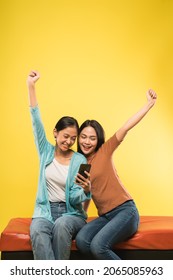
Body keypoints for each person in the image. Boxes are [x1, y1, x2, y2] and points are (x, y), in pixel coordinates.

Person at [75, 89, 157, 260]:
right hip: (105, 216)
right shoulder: (81, 164)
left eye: (92, 138)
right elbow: (89, 194)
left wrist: (149, 104)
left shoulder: (105, 151)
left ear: (98, 140)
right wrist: (83, 215)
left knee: (98, 246)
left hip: (125, 211)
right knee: (82, 241)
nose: (86, 142)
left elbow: (126, 127)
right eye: (83, 137)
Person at [27, 70, 91, 260]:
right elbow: (35, 122)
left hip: (72, 213)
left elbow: (75, 196)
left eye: (73, 138)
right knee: (37, 230)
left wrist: (86, 190)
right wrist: (31, 86)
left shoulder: (80, 160)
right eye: (65, 136)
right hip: (45, 211)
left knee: (62, 224)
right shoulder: (45, 151)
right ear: (55, 133)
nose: (69, 141)